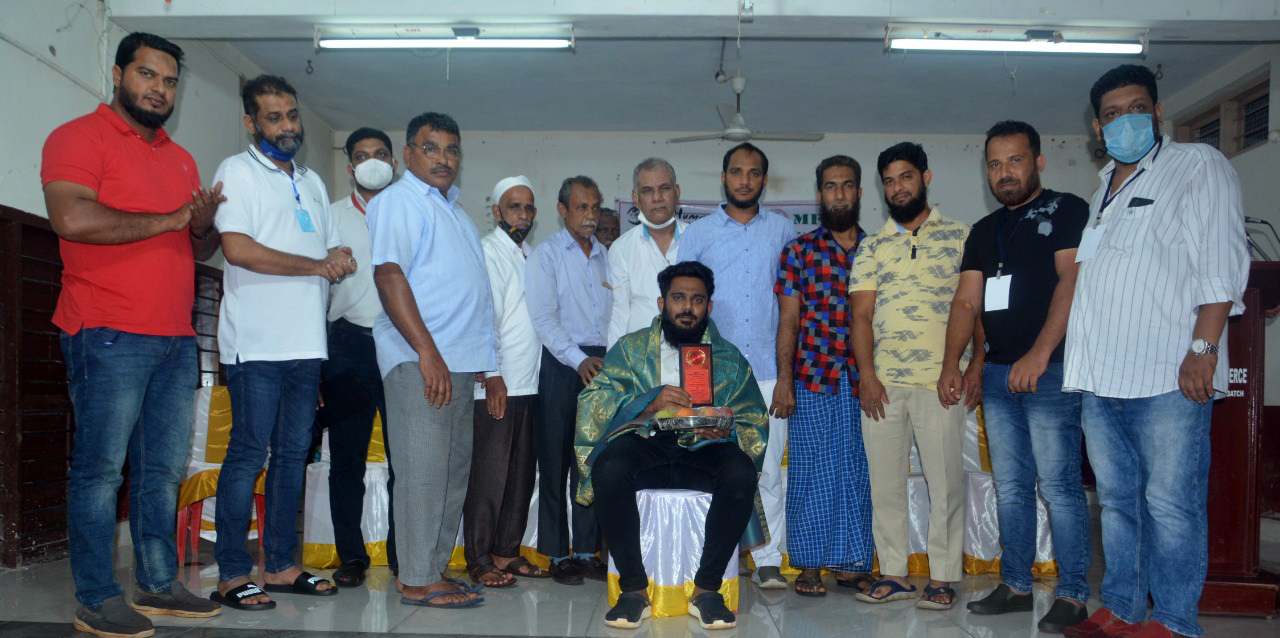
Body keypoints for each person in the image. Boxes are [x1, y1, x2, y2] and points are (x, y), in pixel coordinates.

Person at [41, 31, 224, 638]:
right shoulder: (78, 137)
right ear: (119, 75)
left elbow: (197, 247)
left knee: (162, 472)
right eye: (148, 75)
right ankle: (96, 598)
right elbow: (71, 217)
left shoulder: (181, 158)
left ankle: (157, 583)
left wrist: (202, 226)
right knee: (100, 474)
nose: (159, 90)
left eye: (169, 81)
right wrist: (173, 218)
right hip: (106, 332)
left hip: (175, 337)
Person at [1062, 64, 1247, 638]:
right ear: (1098, 127)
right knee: (1118, 503)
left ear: (1158, 112)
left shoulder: (1196, 165)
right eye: (1113, 114)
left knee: (1170, 503)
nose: (1126, 121)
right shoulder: (1102, 190)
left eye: (1137, 108)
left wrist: (1204, 347)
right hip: (1100, 378)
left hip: (1168, 373)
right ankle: (1123, 608)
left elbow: (1220, 261)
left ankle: (1173, 619)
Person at [942, 121, 1092, 632]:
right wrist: (954, 364)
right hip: (999, 376)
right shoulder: (983, 231)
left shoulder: (1067, 210)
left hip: (1050, 371)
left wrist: (1039, 354)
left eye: (1015, 160)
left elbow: (1072, 280)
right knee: (1010, 486)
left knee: (1060, 487)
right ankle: (1016, 584)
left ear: (1038, 162)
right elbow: (967, 302)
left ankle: (1073, 594)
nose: (1004, 172)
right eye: (995, 163)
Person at [211, 74, 350, 611]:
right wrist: (317, 265)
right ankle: (231, 572)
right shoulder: (237, 172)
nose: (288, 125)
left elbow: (325, 247)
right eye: (274, 117)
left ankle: (281, 564)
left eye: (292, 115)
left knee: (293, 454)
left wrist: (338, 258)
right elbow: (239, 249)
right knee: (248, 453)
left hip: (305, 344)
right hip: (256, 345)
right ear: (251, 122)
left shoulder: (311, 181)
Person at [576, 261, 769, 630]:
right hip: (645, 442)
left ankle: (707, 589)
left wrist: (722, 428)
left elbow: (753, 419)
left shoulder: (729, 359)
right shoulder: (631, 350)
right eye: (679, 298)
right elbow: (595, 402)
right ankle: (634, 590)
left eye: (697, 300)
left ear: (709, 307)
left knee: (740, 472)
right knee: (609, 468)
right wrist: (649, 403)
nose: (687, 308)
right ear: (662, 303)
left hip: (705, 449)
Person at [369, 111, 495, 609]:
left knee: (449, 474)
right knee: (422, 472)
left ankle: (430, 570)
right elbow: (388, 275)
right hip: (421, 360)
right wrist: (426, 351)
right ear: (407, 155)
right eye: (431, 148)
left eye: (451, 149)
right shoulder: (399, 200)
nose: (443, 158)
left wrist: (482, 362)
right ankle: (418, 578)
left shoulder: (455, 212)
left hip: (458, 363)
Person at [848, 142, 975, 611]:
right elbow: (861, 316)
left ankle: (942, 578)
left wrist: (974, 365)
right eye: (889, 181)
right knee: (885, 485)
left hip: (941, 383)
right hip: (883, 387)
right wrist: (867, 376)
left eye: (906, 177)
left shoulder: (961, 236)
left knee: (945, 486)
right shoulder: (872, 245)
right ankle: (894, 574)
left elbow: (974, 308)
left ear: (926, 177)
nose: (898, 187)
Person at [678, 142, 795, 589]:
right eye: (736, 172)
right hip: (714, 374)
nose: (744, 181)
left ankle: (767, 559)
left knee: (767, 471)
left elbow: (793, 307)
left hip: (768, 372)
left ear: (764, 179)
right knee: (714, 466)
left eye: (753, 173)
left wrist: (786, 377)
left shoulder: (783, 231)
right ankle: (717, 559)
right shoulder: (699, 234)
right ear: (723, 177)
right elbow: (683, 307)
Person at [774, 155, 874, 597]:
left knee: (858, 470)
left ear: (859, 192)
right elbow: (788, 320)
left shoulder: (876, 250)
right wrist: (784, 379)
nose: (839, 194)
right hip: (812, 376)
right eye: (831, 186)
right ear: (819, 195)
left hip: (865, 381)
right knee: (810, 471)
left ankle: (853, 562)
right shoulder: (798, 251)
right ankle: (810, 565)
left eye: (847, 185)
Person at [462, 176, 550, 587]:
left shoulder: (531, 255)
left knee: (520, 474)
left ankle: (505, 552)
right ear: (496, 211)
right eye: (514, 207)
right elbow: (483, 315)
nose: (523, 215)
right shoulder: (486, 250)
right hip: (497, 382)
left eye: (529, 207)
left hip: (530, 382)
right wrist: (492, 372)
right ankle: (479, 558)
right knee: (489, 474)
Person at [525, 176, 612, 584]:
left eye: (594, 207)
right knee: (556, 461)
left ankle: (586, 551)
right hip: (563, 364)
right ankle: (558, 554)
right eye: (581, 207)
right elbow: (544, 319)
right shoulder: (546, 255)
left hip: (602, 365)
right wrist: (578, 360)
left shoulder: (606, 255)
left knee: (590, 462)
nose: (590, 216)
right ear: (562, 210)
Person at [323, 127, 399, 587]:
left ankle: (402, 555)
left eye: (381, 154)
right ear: (350, 166)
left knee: (403, 460)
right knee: (346, 459)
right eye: (363, 155)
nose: (373, 162)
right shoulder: (331, 217)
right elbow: (315, 286)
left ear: (394, 163)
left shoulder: (410, 212)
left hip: (401, 345)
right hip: (346, 345)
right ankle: (351, 557)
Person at [607, 158, 688, 347]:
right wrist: (613, 362)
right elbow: (618, 314)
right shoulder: (621, 248)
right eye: (647, 190)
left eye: (664, 188)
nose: (657, 197)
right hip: (640, 357)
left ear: (677, 192)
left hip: (691, 355)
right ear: (635, 198)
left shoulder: (698, 239)